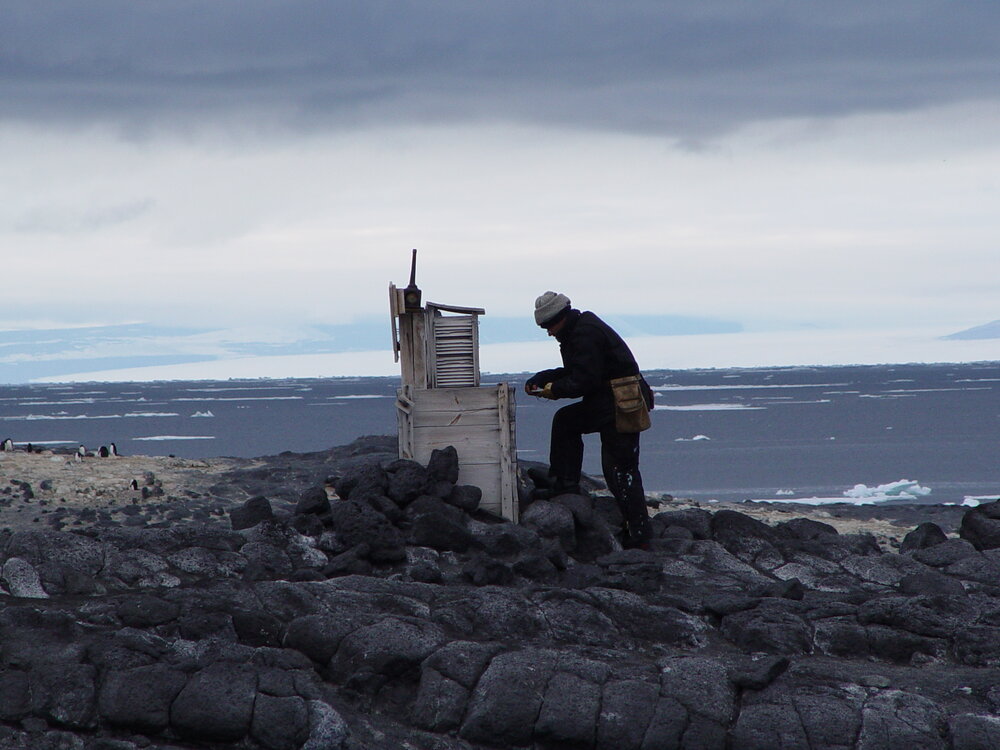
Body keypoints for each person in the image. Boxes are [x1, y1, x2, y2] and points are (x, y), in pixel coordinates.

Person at [525, 291, 654, 549]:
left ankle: (639, 532)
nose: (549, 332)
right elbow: (579, 371)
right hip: (610, 401)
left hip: (621, 403)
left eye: (549, 326)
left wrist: (552, 390)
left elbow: (585, 380)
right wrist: (544, 377)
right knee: (567, 423)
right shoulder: (578, 330)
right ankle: (565, 484)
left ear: (560, 318)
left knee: (620, 469)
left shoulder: (584, 334)